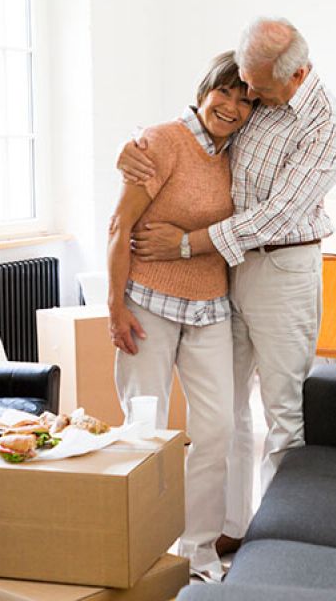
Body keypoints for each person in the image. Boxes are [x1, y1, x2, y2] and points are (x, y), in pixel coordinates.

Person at [119, 17, 336, 556]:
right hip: (229, 270)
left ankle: (279, 542)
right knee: (227, 410)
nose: (246, 95)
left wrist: (184, 244)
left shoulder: (325, 124)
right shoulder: (253, 98)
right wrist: (132, 149)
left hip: (280, 269)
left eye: (256, 87)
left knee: (282, 411)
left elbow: (276, 217)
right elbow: (198, 131)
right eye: (242, 83)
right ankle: (232, 527)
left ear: (295, 75)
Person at [107, 50, 256, 581]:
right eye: (224, 93)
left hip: (210, 305)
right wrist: (115, 307)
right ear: (204, 89)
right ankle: (142, 549)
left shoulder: (236, 152)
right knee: (144, 428)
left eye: (244, 100)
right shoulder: (163, 141)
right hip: (147, 303)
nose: (232, 107)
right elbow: (118, 227)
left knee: (215, 428)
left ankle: (196, 552)